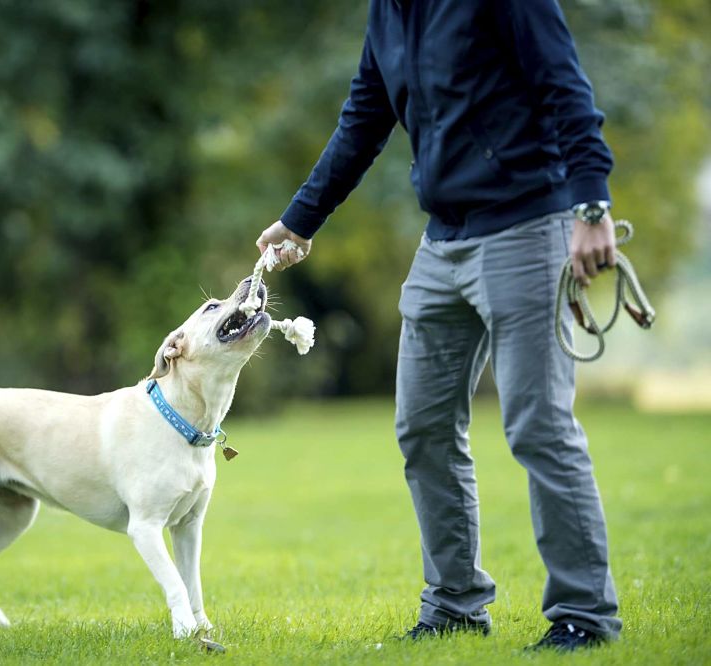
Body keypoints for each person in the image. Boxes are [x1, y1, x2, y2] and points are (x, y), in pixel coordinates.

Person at [255, 0, 621, 651]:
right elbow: (365, 118)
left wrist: (591, 205)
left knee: (538, 423)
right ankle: (454, 603)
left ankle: (584, 616)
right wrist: (301, 219)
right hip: (444, 241)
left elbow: (565, 84)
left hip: (527, 223)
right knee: (422, 425)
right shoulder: (388, 13)